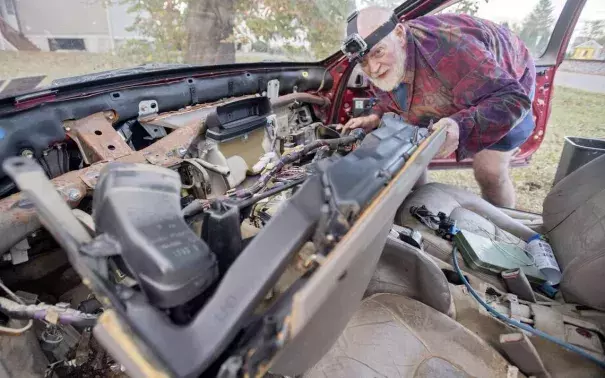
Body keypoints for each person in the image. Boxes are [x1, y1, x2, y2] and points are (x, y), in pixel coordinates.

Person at [338, 6, 536, 208]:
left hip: (506, 85)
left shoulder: (451, 45)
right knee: (410, 154)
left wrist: (459, 125)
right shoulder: (381, 61)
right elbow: (391, 96)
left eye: (378, 52)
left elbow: (512, 99)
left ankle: (504, 226)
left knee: (489, 171)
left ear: (399, 34)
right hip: (451, 83)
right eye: (363, 62)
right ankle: (419, 208)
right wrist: (376, 115)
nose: (374, 68)